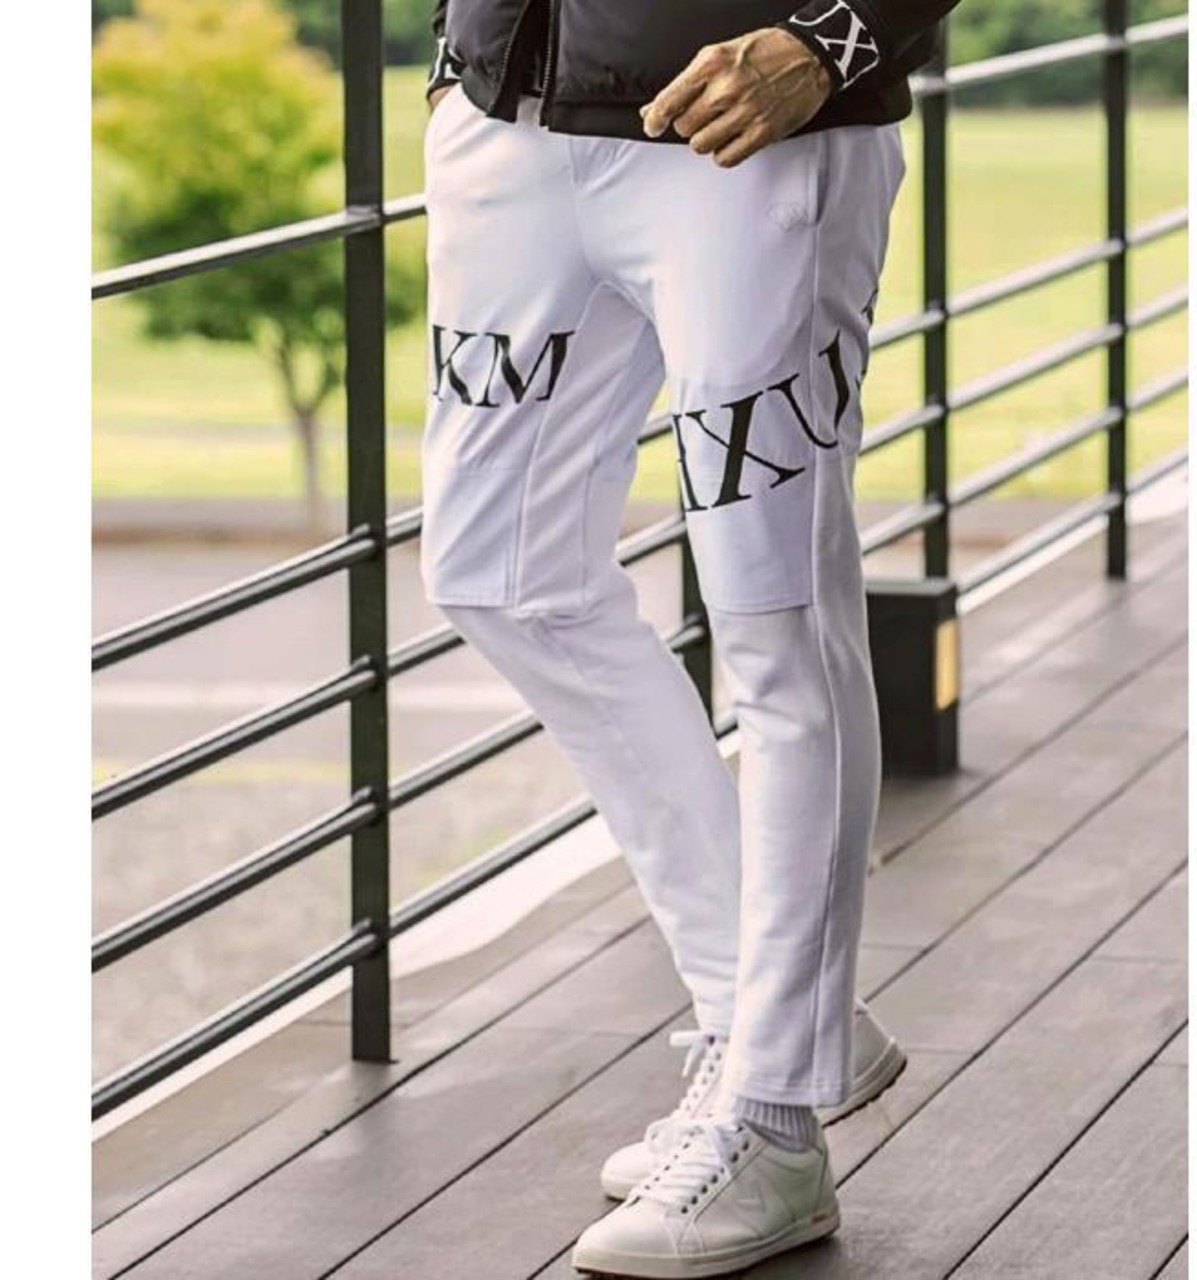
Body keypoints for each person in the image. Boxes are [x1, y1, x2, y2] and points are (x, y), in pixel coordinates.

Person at [419, 1, 960, 1274]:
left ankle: (771, 1112)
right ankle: (763, 1014)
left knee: (775, 625)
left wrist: (831, 42)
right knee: (499, 573)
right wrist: (455, 51)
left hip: (749, 136)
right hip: (508, 118)